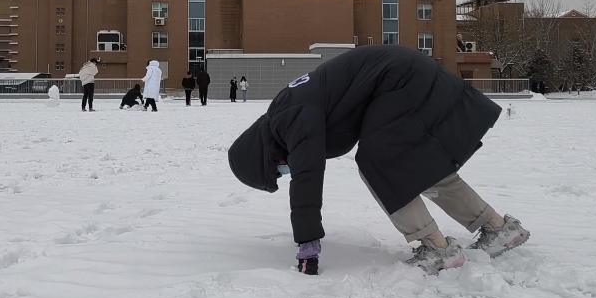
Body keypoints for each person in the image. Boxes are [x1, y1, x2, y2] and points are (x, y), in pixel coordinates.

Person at [227, 45, 529, 277]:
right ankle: (499, 228)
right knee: (420, 166)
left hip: (398, 79)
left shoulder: (289, 118)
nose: (284, 171)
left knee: (379, 166)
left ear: (264, 156)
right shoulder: (285, 112)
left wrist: (308, 243)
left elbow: (307, 175)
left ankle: (438, 250)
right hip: (406, 74)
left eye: (276, 171)